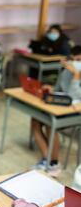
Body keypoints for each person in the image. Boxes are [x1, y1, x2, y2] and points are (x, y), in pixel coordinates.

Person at [32, 46, 81, 177]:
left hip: (75, 113)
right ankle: (46, 158)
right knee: (35, 120)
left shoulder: (76, 73)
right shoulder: (66, 71)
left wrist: (76, 76)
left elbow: (74, 96)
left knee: (50, 124)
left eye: (79, 60)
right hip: (61, 107)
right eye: (74, 59)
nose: (76, 63)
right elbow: (60, 88)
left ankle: (53, 163)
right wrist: (52, 88)